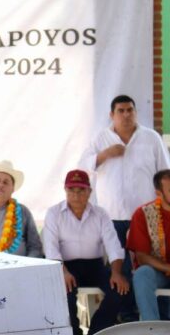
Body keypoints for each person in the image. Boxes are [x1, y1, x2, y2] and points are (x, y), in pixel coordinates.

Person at [80, 95, 169, 320]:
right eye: (121, 111)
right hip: (113, 216)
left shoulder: (150, 138)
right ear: (112, 115)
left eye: (130, 110)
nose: (126, 114)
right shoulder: (101, 138)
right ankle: (126, 315)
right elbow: (83, 168)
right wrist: (105, 154)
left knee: (148, 268)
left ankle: (155, 314)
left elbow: (164, 172)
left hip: (148, 217)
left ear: (136, 112)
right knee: (119, 267)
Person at [43, 169, 128, 335]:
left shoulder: (100, 213)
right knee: (63, 293)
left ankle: (96, 331)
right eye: (71, 190)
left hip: (94, 266)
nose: (76, 195)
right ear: (65, 191)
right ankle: (74, 333)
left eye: (81, 190)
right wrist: (63, 272)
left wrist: (116, 272)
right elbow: (51, 248)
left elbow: (113, 245)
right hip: (65, 267)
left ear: (89, 191)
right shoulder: (54, 213)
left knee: (120, 289)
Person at [127, 169, 170, 321]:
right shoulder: (142, 214)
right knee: (142, 274)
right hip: (159, 272)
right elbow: (142, 257)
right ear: (158, 193)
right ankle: (151, 330)